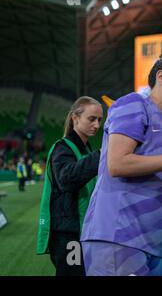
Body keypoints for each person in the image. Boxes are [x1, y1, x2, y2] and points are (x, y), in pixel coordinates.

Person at [80, 44, 162, 276]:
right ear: (161, 77)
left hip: (151, 246)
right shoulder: (133, 104)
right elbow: (117, 163)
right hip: (118, 239)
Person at [36, 96, 103, 276]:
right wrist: (103, 154)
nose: (97, 125)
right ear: (75, 118)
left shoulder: (84, 149)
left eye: (99, 120)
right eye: (91, 119)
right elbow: (67, 179)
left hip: (79, 231)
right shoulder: (62, 148)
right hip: (68, 234)